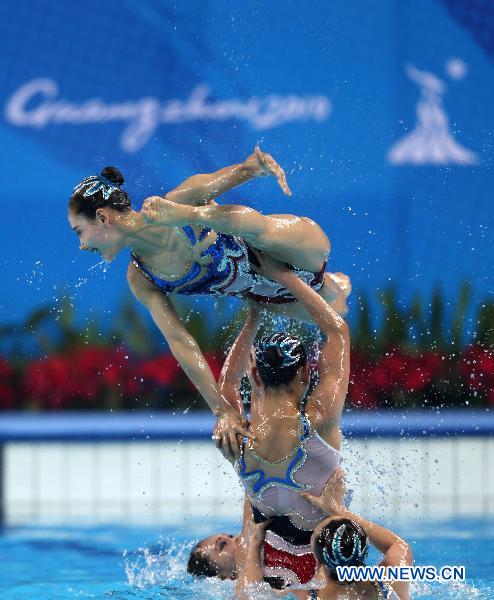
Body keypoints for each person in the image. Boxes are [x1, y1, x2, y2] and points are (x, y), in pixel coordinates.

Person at [68, 147, 350, 454]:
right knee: (338, 307)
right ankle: (330, 282)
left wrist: (251, 168)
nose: (82, 245)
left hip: (291, 244)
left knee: (260, 233)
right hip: (269, 292)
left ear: (102, 217)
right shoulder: (141, 278)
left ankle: (325, 279)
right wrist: (223, 409)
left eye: (79, 231)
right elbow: (182, 343)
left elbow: (227, 196)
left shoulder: (169, 208)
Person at [188, 251, 350, 590]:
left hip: (268, 564)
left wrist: (254, 315)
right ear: (306, 375)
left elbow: (227, 387)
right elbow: (337, 332)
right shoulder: (320, 422)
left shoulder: (234, 437)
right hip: (329, 564)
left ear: (255, 376)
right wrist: (285, 277)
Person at [236, 475, 413, 599]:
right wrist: (340, 511)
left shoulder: (305, 596)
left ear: (318, 562)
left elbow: (248, 595)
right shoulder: (391, 585)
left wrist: (254, 542)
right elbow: (398, 545)